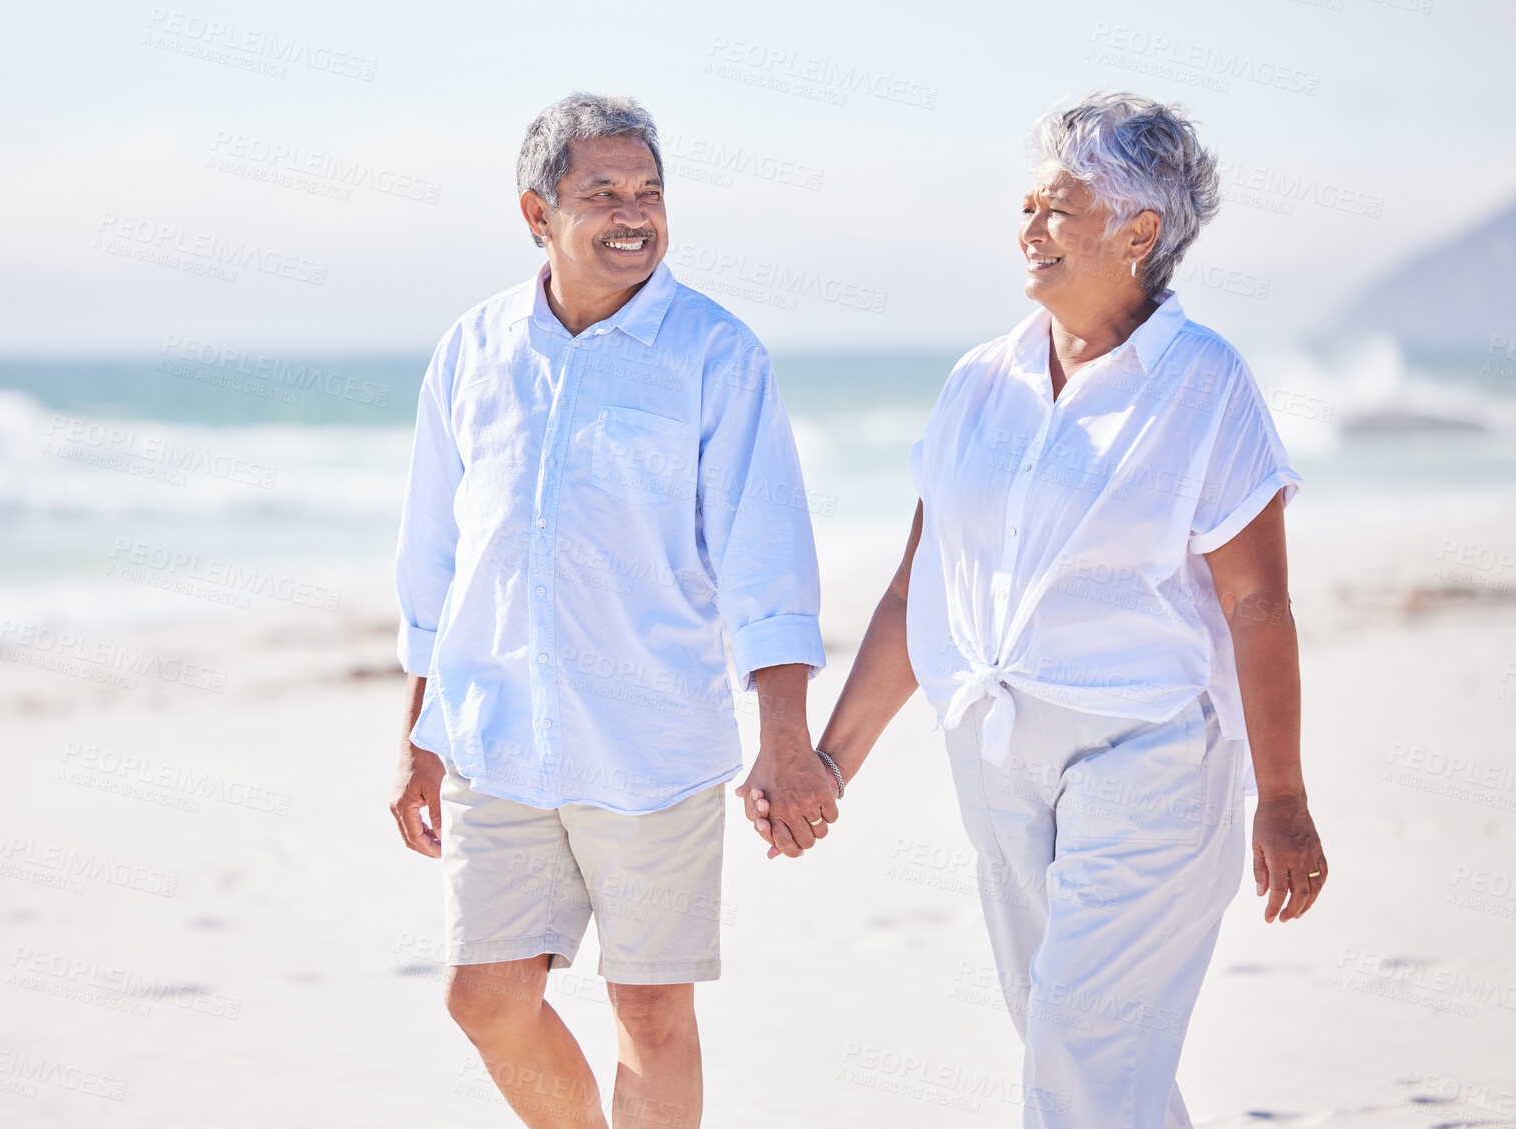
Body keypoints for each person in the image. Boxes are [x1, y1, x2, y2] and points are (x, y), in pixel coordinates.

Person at [744, 91, 1328, 1127]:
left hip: (1147, 757)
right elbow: (916, 588)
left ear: (1138, 232)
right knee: (1080, 1050)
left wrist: (1279, 793)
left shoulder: (1203, 382)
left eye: (1056, 208)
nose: (1028, 227)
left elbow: (1257, 605)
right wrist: (830, 761)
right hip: (995, 763)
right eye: (1026, 205)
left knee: (1077, 1037)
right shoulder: (979, 380)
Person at [389, 91, 832, 1129]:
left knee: (650, 1008)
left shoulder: (717, 355)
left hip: (650, 740)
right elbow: (434, 560)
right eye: (602, 194)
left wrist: (785, 740)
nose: (634, 214)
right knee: (485, 998)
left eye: (650, 192)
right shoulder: (473, 349)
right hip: (496, 741)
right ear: (537, 215)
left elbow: (768, 561)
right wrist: (416, 736)